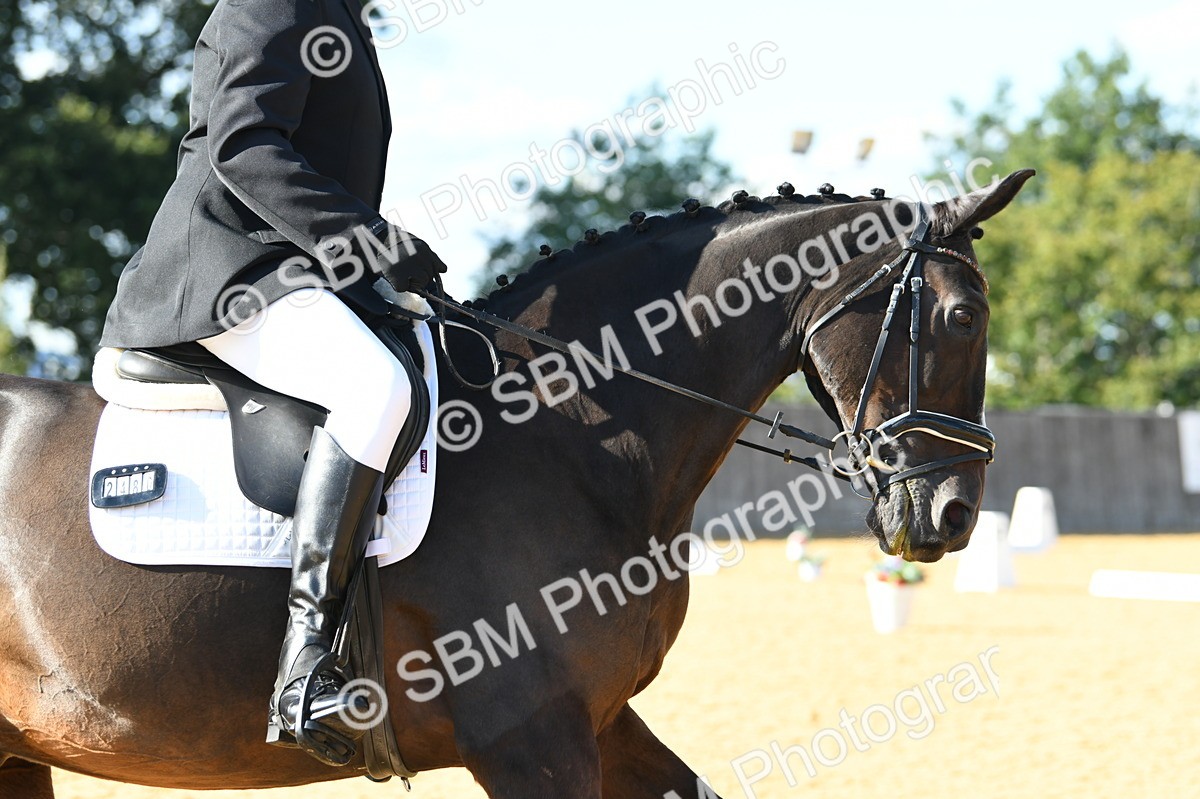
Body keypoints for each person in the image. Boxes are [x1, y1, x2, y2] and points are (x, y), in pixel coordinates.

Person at [98, 0, 444, 764]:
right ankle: (305, 663)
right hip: (226, 270)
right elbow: (246, 145)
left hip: (295, 271)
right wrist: (370, 243)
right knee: (372, 388)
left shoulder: (341, 15)